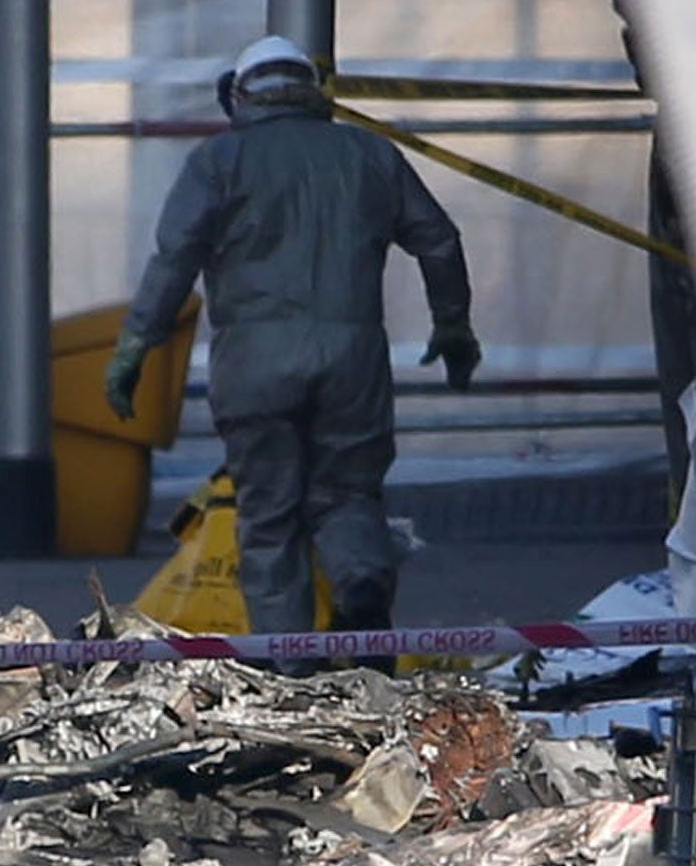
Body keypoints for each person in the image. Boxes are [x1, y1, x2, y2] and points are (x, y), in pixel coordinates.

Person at [105, 34, 479, 634]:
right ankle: (360, 585)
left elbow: (175, 258)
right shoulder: (369, 154)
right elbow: (438, 239)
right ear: (313, 92)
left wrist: (134, 347)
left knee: (269, 513)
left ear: (239, 95)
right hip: (353, 359)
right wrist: (453, 322)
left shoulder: (217, 163)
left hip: (254, 364)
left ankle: (290, 665)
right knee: (350, 494)